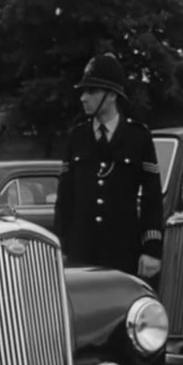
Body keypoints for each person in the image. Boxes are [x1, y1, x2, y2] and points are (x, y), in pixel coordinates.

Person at [54, 53, 164, 278]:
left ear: (112, 95)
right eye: (83, 92)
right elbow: (65, 198)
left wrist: (152, 249)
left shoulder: (138, 137)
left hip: (123, 250)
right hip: (81, 251)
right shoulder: (77, 137)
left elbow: (152, 197)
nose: (83, 98)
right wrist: (61, 246)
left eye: (92, 91)